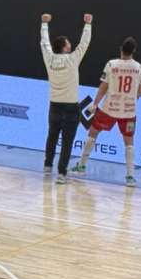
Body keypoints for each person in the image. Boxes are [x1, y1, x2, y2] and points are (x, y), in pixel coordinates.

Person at [72, 37, 141, 187]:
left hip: (109, 108)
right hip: (129, 111)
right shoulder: (139, 68)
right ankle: (130, 176)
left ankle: (81, 166)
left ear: (121, 49)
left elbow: (103, 86)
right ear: (134, 51)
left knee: (93, 133)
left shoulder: (111, 64)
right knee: (129, 141)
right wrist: (133, 96)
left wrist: (95, 103)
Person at [39, 13, 92, 184]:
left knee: (52, 136)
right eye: (68, 42)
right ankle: (62, 173)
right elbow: (84, 44)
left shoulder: (49, 59)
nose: (71, 44)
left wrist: (44, 24)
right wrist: (88, 25)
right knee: (67, 141)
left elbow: (44, 43)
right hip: (70, 107)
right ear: (64, 47)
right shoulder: (72, 59)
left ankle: (48, 165)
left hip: (55, 106)